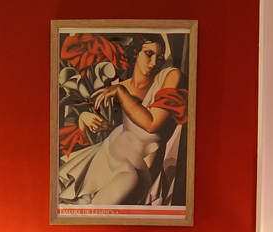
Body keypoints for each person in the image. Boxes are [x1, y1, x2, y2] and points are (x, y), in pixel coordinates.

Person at [57, 34, 188, 206]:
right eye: (148, 54)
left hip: (138, 169)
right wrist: (83, 117)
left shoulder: (169, 76)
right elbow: (92, 126)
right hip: (108, 156)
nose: (154, 62)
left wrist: (121, 93)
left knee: (102, 206)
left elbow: (152, 124)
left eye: (160, 57)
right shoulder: (114, 88)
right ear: (136, 54)